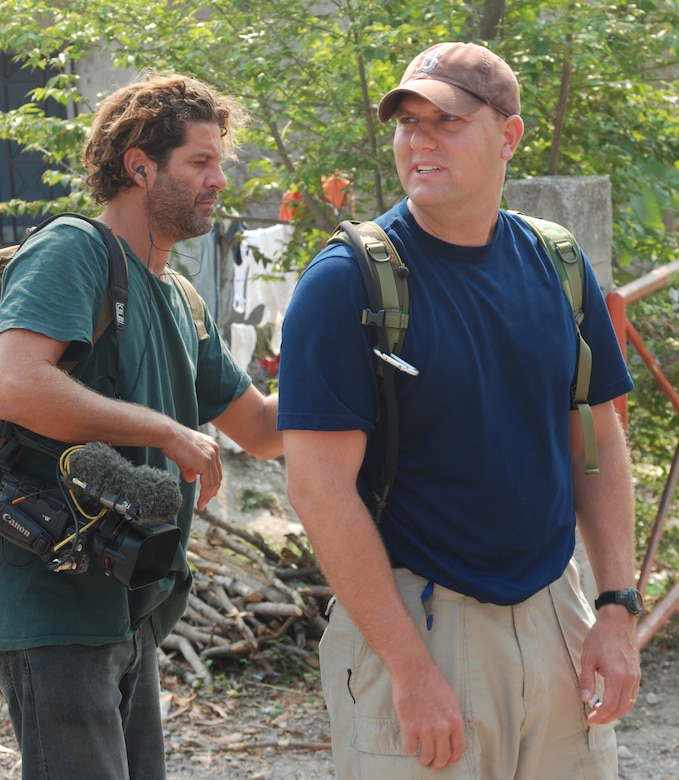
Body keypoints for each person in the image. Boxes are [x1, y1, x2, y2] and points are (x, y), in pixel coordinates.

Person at [278, 41, 641, 779]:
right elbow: (317, 488)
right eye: (407, 123)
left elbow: (595, 438)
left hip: (555, 616)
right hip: (415, 622)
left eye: (445, 121)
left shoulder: (557, 263)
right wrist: (409, 670)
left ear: (507, 136)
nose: (419, 140)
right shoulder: (346, 281)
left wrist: (614, 606)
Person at [0, 73, 282, 779]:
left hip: (134, 605)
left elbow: (264, 429)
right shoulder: (74, 251)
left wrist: (360, 354)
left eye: (220, 161)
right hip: (57, 604)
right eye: (200, 161)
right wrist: (164, 430)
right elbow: (13, 380)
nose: (220, 179)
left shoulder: (179, 295)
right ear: (139, 165)